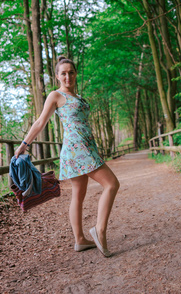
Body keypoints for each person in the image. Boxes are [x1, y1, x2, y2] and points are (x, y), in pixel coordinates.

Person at [15, 56, 120, 257]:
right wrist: (24, 144)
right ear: (57, 76)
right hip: (77, 149)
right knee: (111, 184)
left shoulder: (78, 97)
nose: (67, 76)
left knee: (78, 195)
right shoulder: (55, 96)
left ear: (75, 74)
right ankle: (100, 230)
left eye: (71, 72)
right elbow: (40, 122)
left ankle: (80, 240)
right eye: (63, 73)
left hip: (85, 148)